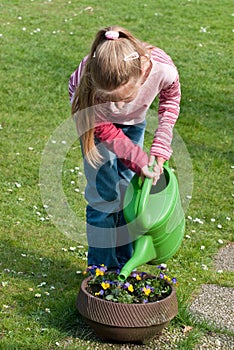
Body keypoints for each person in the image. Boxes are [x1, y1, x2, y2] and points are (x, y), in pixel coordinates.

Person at [69, 26, 181, 271]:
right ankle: (102, 270)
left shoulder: (163, 69)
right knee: (105, 197)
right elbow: (103, 127)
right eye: (111, 100)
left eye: (125, 98)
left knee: (127, 193)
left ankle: (123, 264)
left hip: (135, 124)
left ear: (141, 74)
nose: (118, 106)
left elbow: (170, 102)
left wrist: (160, 146)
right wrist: (138, 158)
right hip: (98, 127)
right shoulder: (88, 77)